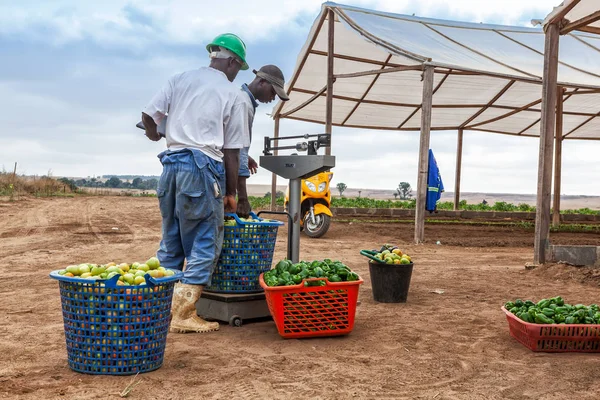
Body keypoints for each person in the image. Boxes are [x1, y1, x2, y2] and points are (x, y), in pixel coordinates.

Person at [141, 33, 250, 334]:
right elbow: (231, 151)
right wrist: (230, 193)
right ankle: (184, 314)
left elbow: (148, 115)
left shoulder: (180, 78)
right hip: (203, 167)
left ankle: (158, 310)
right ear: (232, 61)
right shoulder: (234, 95)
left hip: (171, 165)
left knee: (172, 241)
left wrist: (154, 134)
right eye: (237, 68)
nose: (235, 73)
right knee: (204, 240)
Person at [236, 65, 289, 218]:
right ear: (261, 82)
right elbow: (238, 149)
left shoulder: (243, 99)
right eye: (273, 92)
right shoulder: (243, 104)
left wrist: (246, 156)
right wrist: (243, 198)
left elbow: (234, 144)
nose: (272, 98)